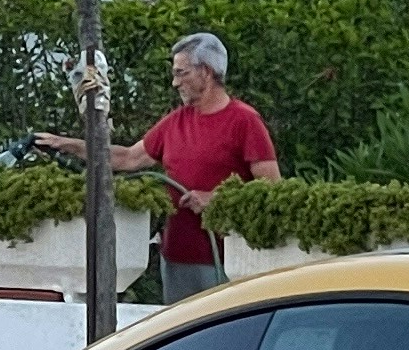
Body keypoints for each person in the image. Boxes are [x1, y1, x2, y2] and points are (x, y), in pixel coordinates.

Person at [34, 32, 278, 304]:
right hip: (176, 258)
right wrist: (67, 144)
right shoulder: (176, 121)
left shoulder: (245, 121)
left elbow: (271, 188)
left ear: (206, 72)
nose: (175, 82)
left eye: (181, 73)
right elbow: (128, 158)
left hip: (227, 262)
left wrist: (215, 200)